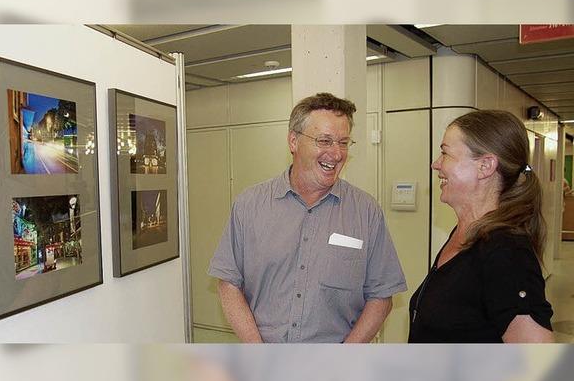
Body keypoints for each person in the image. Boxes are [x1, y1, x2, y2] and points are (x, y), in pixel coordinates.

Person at [208, 92, 406, 343]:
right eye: (324, 141)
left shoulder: (366, 212)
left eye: (343, 143)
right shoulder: (249, 206)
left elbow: (381, 295)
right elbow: (228, 283)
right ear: (293, 141)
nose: (336, 154)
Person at [409, 110, 554, 343]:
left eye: (445, 153)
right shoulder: (466, 233)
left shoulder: (506, 252)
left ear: (485, 166)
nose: (435, 164)